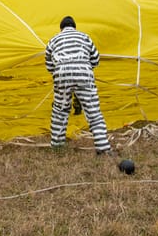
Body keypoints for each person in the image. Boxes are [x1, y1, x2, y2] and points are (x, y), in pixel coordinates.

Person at [44, 16, 113, 156]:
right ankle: (103, 148)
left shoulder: (54, 39)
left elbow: (49, 64)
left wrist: (58, 73)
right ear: (74, 27)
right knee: (93, 112)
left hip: (61, 73)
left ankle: (57, 146)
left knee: (60, 110)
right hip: (84, 73)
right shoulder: (85, 37)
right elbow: (95, 59)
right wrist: (85, 68)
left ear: (61, 28)